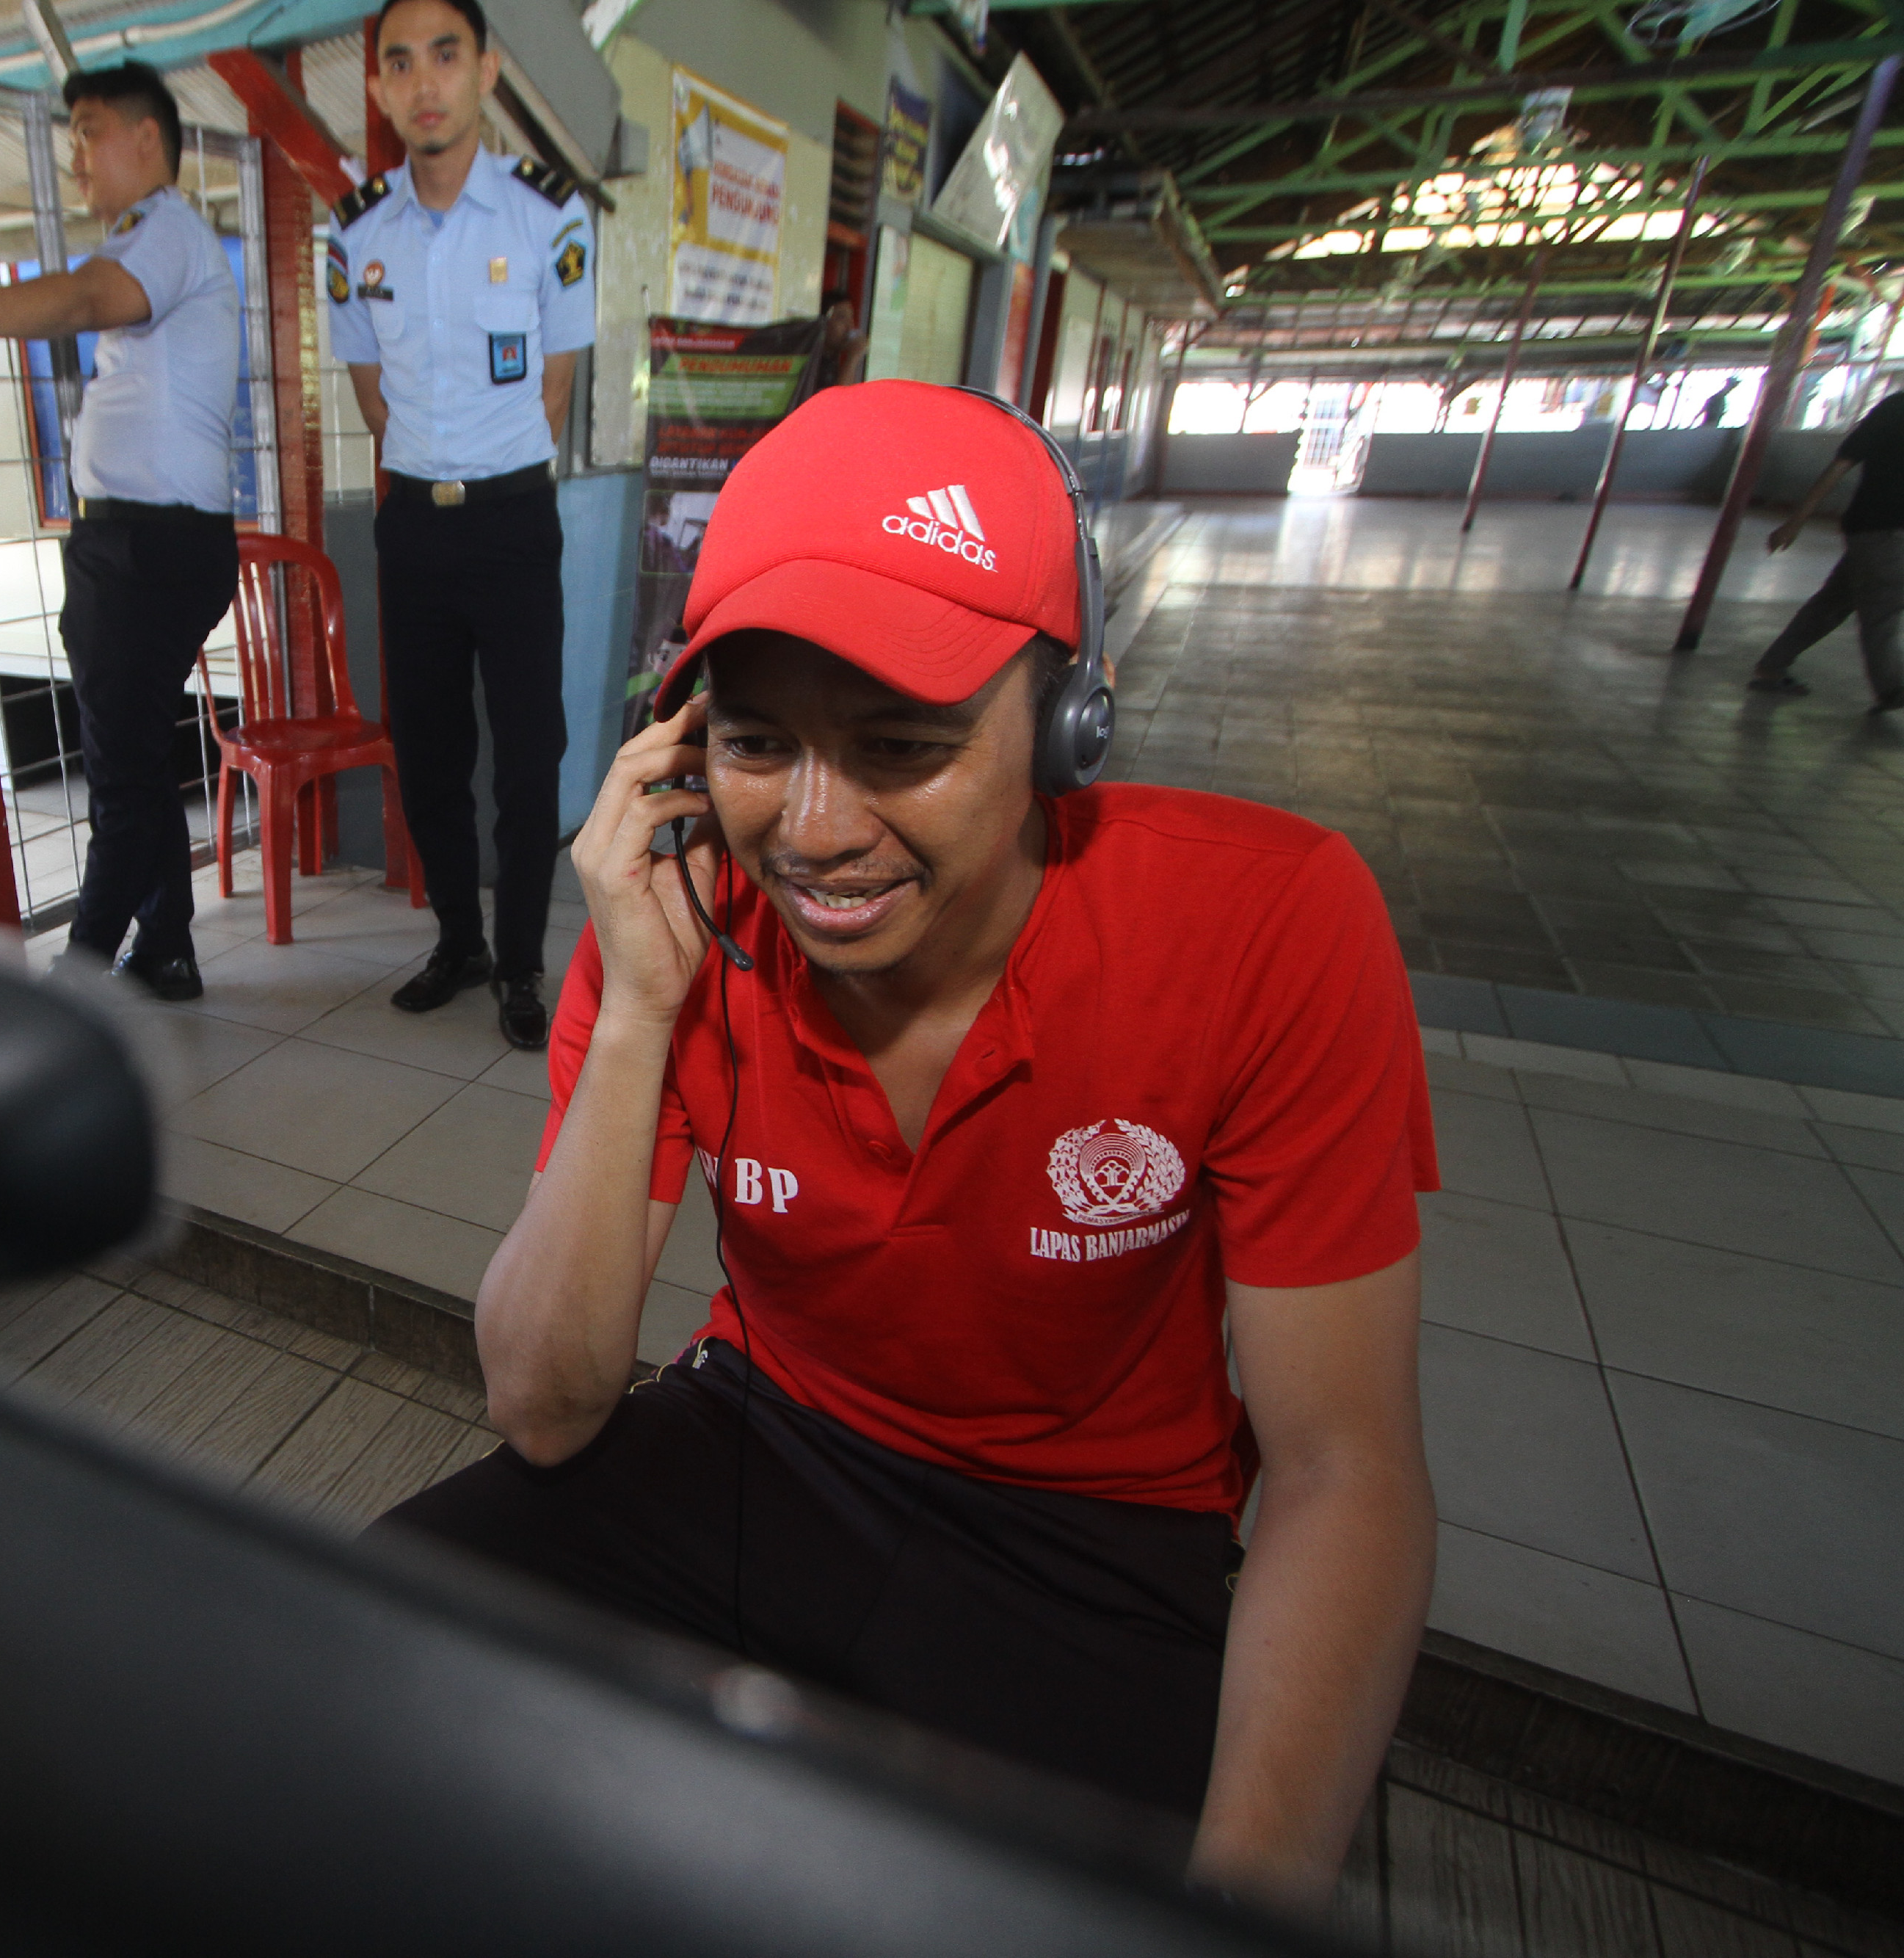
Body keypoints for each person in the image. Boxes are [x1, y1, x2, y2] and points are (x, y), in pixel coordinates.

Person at [377, 382, 1438, 1912]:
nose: (810, 828)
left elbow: (1346, 1469)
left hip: (1092, 1543)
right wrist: (631, 1017)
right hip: (761, 1441)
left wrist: (1239, 1905)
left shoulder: (1268, 925)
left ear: (1073, 723)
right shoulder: (678, 915)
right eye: (753, 741)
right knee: (351, 1677)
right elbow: (542, 1408)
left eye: (898, 744)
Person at [0, 63, 237, 1004]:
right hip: (136, 545)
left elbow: (80, 299)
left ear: (147, 139)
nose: (75, 156)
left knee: (123, 777)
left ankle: (68, 993)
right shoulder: (155, 241)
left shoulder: (165, 236)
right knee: (137, 763)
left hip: (150, 550)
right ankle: (166, 948)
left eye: (88, 131)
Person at [330, 0, 594, 1051]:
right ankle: (460, 940)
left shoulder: (548, 215)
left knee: (529, 757)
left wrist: (485, 477)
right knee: (430, 753)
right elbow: (371, 395)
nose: (424, 81)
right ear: (382, 86)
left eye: (446, 55)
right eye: (400, 62)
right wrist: (432, 482)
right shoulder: (354, 232)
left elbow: (558, 392)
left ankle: (524, 958)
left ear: (486, 70)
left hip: (515, 521)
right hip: (417, 532)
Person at [1747, 386, 1904, 708]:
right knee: (1882, 614)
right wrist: (1796, 520)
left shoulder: (1891, 408)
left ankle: (1772, 667)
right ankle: (1893, 690)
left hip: (1869, 533)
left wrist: (1797, 520)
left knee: (1831, 604)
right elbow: (1842, 463)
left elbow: (1842, 462)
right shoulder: (1895, 410)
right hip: (1889, 535)